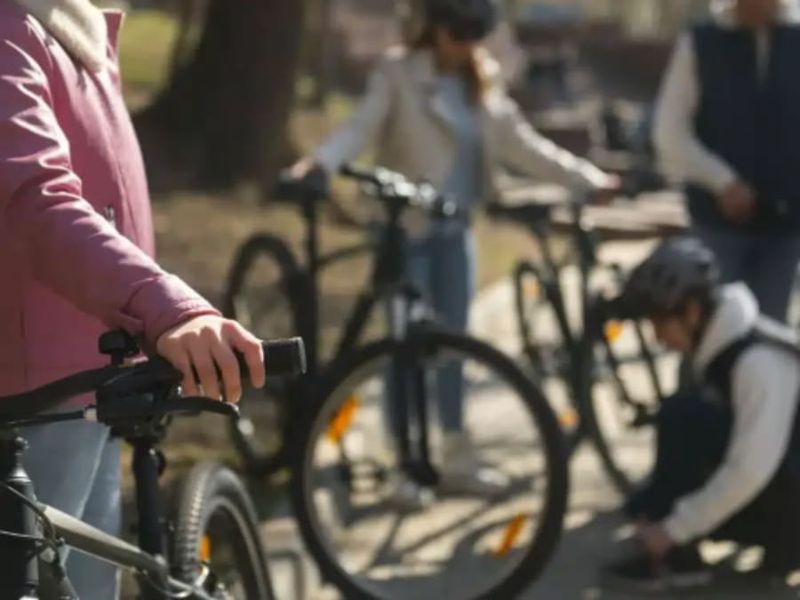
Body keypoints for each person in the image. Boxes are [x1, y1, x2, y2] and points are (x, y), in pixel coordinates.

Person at [292, 0, 618, 497]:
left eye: (475, 33)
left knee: (455, 345)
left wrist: (586, 181)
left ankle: (456, 454)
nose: (466, 44)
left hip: (455, 227)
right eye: (458, 32)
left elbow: (522, 144)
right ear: (436, 29)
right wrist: (321, 163)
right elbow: (359, 127)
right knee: (408, 346)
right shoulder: (399, 73)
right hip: (405, 229)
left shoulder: (481, 80)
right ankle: (407, 461)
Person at [0, 1, 266, 598]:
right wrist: (164, 306)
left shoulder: (68, 24)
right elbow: (32, 199)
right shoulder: (10, 27)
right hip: (35, 392)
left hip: (91, 375)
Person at [603, 237, 800, 593]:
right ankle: (670, 542)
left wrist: (672, 530)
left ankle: (672, 552)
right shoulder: (728, 349)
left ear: (691, 311)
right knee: (683, 415)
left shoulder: (756, 363)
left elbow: (750, 470)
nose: (659, 338)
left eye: (660, 323)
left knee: (684, 417)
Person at [653, 0, 800, 323]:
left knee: (770, 341)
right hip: (717, 226)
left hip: (784, 226)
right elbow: (670, 131)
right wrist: (722, 181)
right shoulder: (702, 41)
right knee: (709, 332)